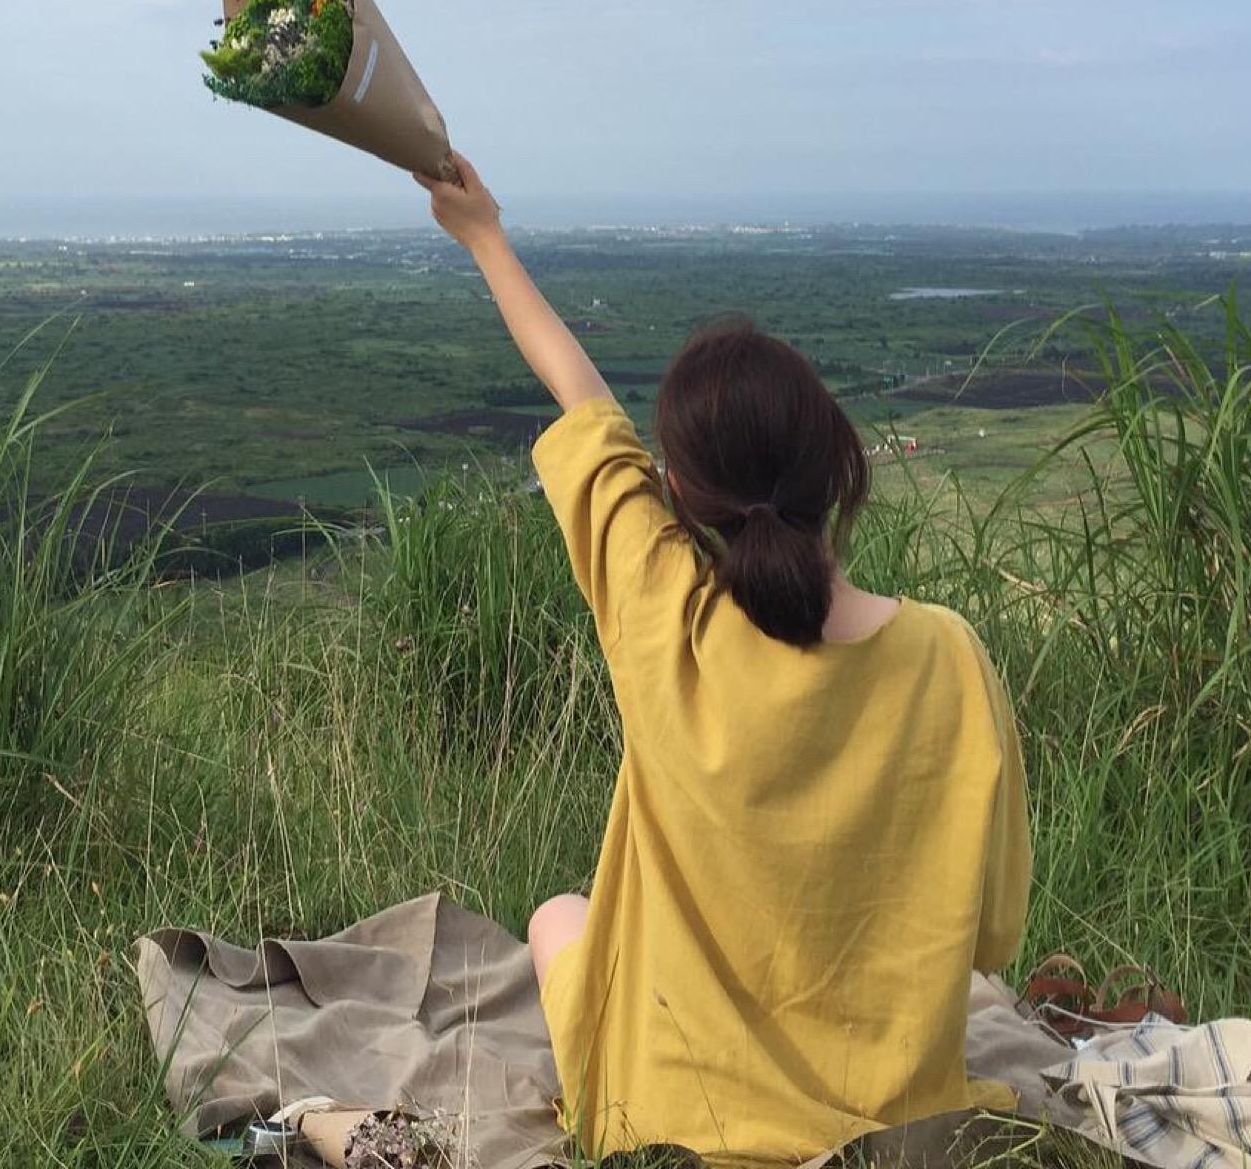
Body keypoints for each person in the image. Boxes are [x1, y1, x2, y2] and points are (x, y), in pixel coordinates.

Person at [415, 155, 1032, 1162]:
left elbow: (582, 406)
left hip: (669, 1115)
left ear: (677, 494)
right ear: (840, 461)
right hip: (895, 1120)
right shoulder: (948, 658)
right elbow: (992, 936)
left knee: (558, 917)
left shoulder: (663, 620)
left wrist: (483, 235)